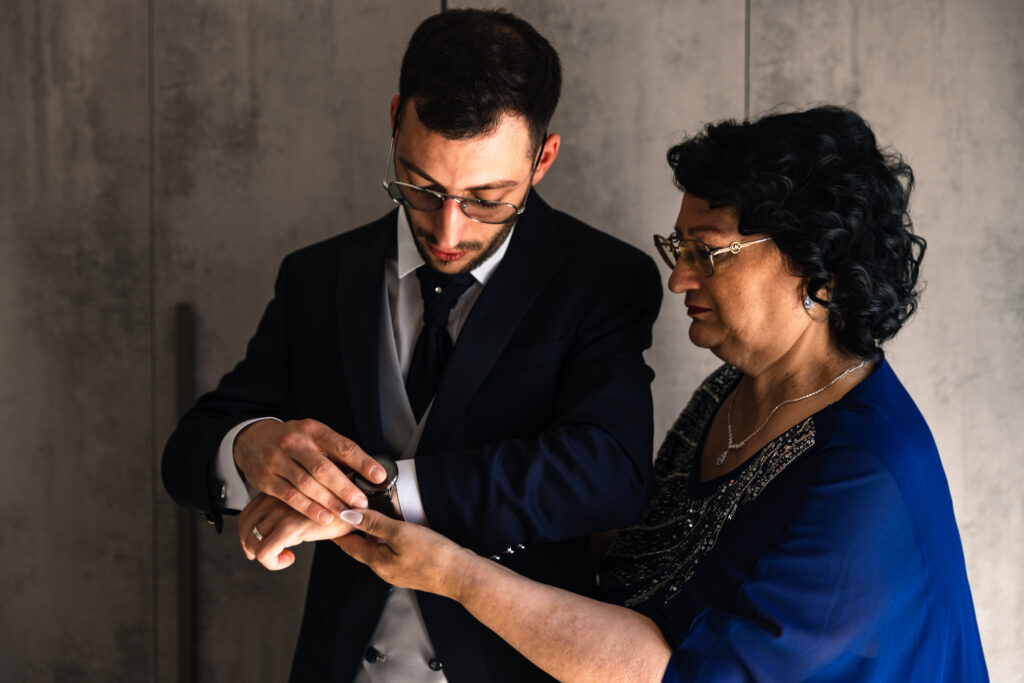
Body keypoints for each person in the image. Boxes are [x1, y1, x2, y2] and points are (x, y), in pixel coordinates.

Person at [328, 106, 989, 681]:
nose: (677, 279)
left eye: (707, 252)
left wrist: (456, 574)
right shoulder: (733, 390)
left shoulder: (862, 475)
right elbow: (633, 550)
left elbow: (662, 672)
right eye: (678, 247)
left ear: (820, 267)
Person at [161, 8, 662, 682]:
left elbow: (606, 472)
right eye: (421, 187)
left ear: (543, 158)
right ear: (396, 118)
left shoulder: (603, 280)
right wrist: (251, 445)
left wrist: (379, 491)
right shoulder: (317, 277)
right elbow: (190, 449)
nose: (449, 229)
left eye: (488, 198)